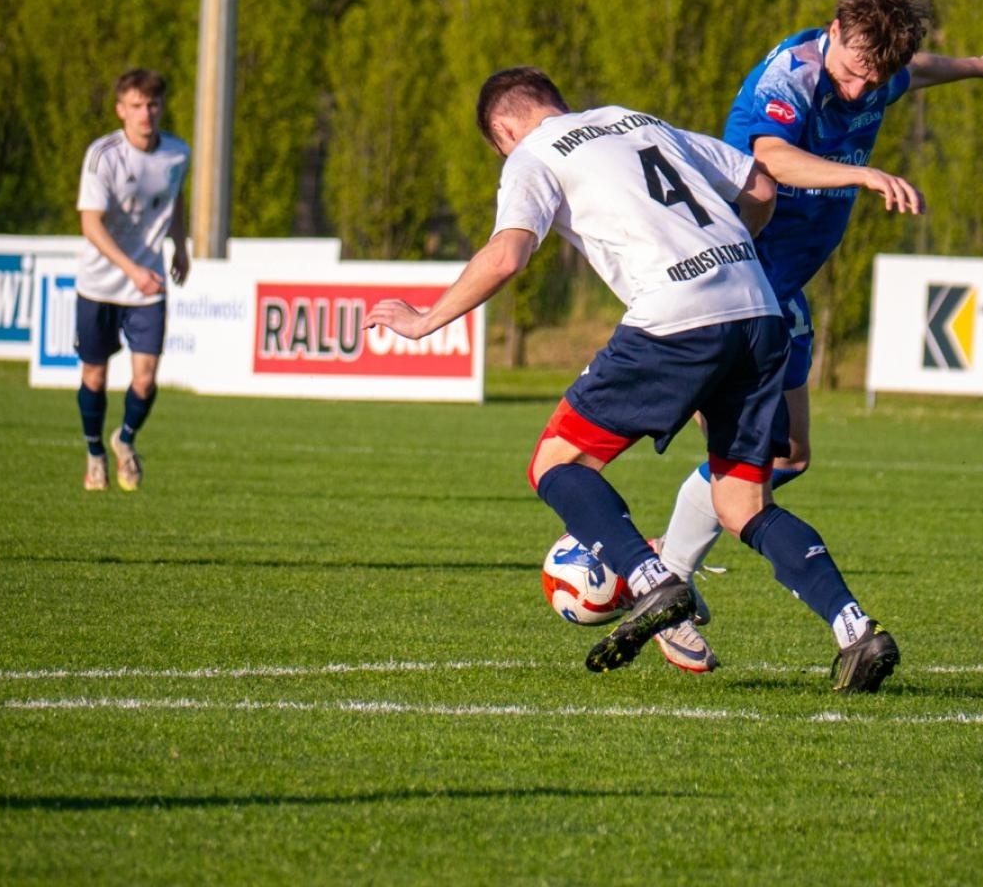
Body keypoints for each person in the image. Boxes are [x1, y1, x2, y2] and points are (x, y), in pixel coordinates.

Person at [364, 67, 899, 692]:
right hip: (757, 307)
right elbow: (758, 182)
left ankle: (650, 579)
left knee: (555, 462)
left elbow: (508, 254)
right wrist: (729, 254)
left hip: (678, 316)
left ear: (504, 130)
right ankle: (856, 629)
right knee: (742, 504)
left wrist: (425, 319)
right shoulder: (634, 120)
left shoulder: (533, 153)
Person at [651, 0, 983, 668]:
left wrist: (981, 67)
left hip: (783, 288)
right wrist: (861, 176)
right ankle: (664, 582)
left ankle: (663, 563)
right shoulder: (792, 77)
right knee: (741, 470)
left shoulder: (878, 71)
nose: (860, 90)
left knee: (789, 457)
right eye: (854, 71)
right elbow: (769, 157)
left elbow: (917, 72)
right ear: (832, 30)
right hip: (736, 282)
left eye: (875, 80)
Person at [74, 69, 191, 492]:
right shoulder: (103, 156)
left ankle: (124, 440)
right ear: (120, 110)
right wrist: (132, 270)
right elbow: (90, 224)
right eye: (136, 106)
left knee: (145, 380)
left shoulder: (177, 153)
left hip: (148, 287)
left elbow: (175, 198)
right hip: (99, 285)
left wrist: (180, 247)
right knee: (95, 377)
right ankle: (94, 455)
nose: (146, 114)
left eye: (152, 105)